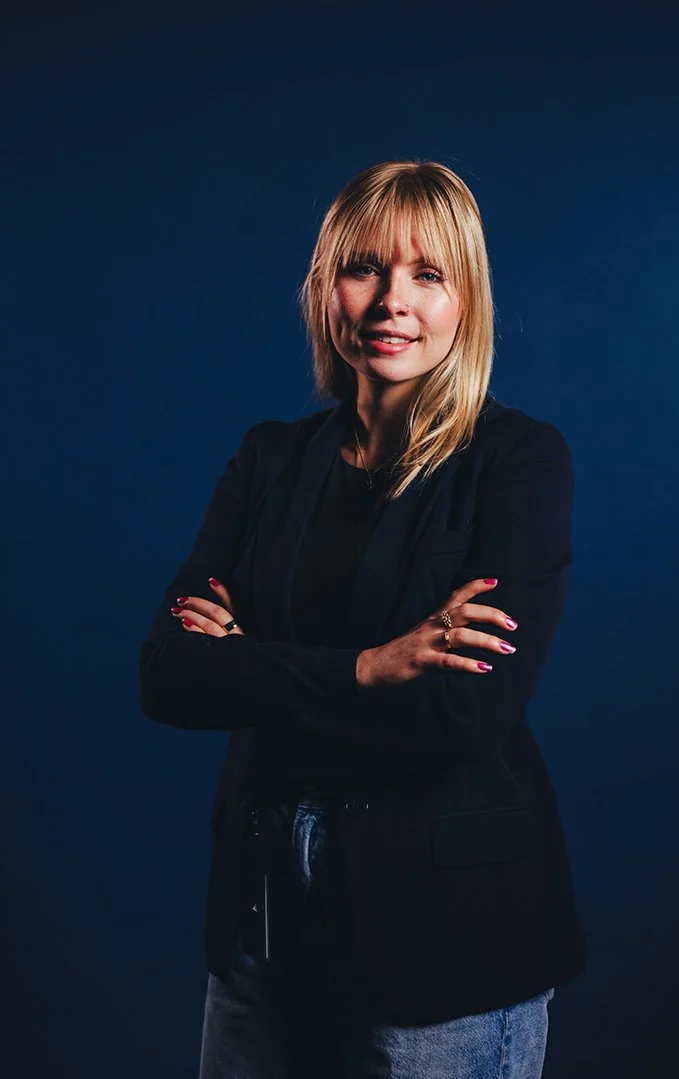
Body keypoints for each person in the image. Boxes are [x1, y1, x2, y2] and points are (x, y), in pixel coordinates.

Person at [139, 159, 587, 1078]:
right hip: (263, 925)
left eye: (428, 275)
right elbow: (169, 674)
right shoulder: (269, 460)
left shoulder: (516, 463)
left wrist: (254, 663)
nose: (392, 300)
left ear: (467, 302)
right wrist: (367, 668)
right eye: (365, 268)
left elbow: (466, 713)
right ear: (323, 289)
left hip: (443, 935)